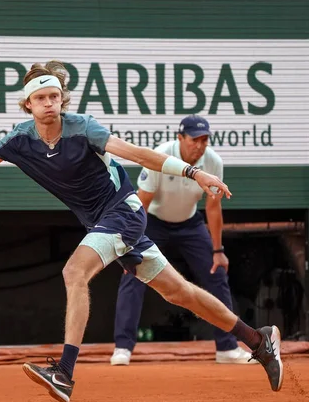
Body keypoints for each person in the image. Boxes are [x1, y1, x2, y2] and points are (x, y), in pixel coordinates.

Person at [0, 60, 283, 402]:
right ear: (28, 104)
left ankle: (64, 371)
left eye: (54, 96)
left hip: (123, 212)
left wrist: (193, 171)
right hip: (101, 222)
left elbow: (136, 153)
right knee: (179, 291)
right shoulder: (20, 140)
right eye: (40, 98)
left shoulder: (83, 128)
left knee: (73, 272)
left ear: (62, 100)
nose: (48, 103)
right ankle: (257, 340)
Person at [110, 115, 257, 367]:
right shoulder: (161, 155)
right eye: (194, 139)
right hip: (152, 222)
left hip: (190, 224)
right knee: (132, 273)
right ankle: (123, 347)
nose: (199, 145)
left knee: (217, 274)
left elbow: (213, 208)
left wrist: (218, 250)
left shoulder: (213, 162)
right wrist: (130, 244)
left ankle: (227, 348)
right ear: (180, 138)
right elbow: (141, 204)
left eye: (204, 140)